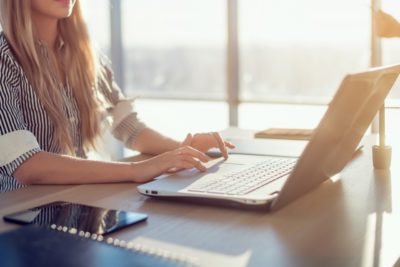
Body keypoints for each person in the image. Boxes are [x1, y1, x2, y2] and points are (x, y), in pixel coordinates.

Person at [0, 0, 234, 192]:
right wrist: (136, 170)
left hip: (79, 199)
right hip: (21, 212)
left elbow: (128, 126)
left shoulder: (84, 54)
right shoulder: (4, 59)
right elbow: (26, 165)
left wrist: (184, 151)